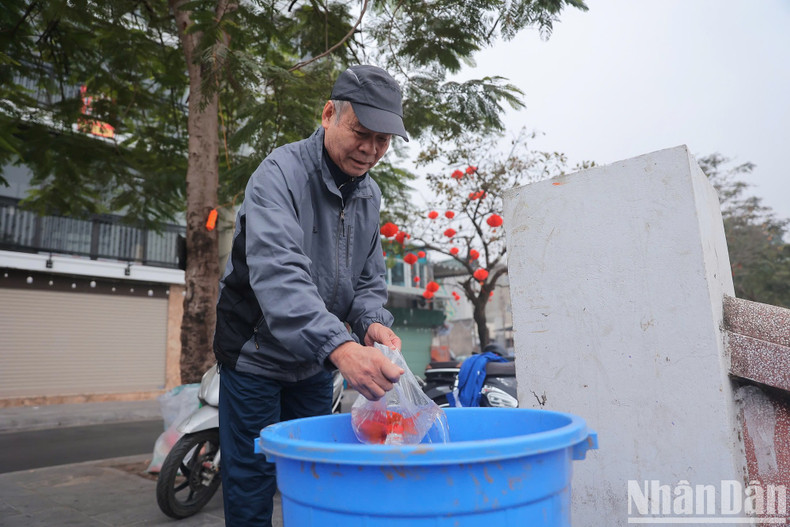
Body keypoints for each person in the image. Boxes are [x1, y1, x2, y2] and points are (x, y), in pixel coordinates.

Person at [213, 65, 408, 526]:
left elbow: (367, 278)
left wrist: (370, 321)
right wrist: (342, 348)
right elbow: (279, 275)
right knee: (252, 481)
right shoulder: (278, 175)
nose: (370, 150)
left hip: (316, 363)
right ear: (328, 114)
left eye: (383, 141)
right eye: (361, 132)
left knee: (319, 476)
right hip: (256, 356)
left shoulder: (369, 195)